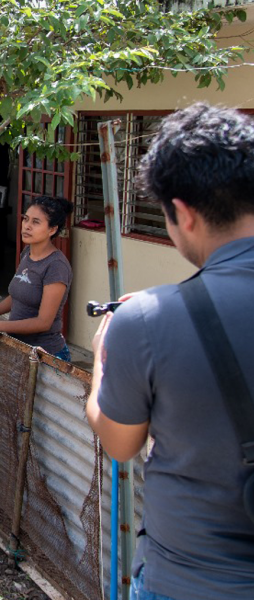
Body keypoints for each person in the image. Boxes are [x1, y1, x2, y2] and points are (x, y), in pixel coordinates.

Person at [87, 104, 254, 600]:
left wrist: (104, 351)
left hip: (188, 580)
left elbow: (120, 444)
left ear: (181, 212)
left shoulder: (147, 321)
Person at [0, 195, 73, 361]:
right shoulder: (27, 253)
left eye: (36, 222)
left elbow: (43, 322)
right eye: (26, 219)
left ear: (52, 229)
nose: (27, 226)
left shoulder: (56, 266)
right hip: (19, 350)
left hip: (46, 356)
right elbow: (16, 298)